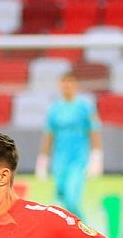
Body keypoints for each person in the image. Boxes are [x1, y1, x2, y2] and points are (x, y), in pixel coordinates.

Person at [34, 73, 104, 219]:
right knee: (60, 199)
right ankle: (71, 235)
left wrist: (96, 156)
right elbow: (49, 135)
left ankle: (85, 231)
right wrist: (43, 159)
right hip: (59, 160)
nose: (66, 87)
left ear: (76, 85)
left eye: (70, 83)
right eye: (63, 83)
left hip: (78, 159)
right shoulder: (54, 109)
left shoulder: (85, 107)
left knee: (72, 199)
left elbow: (94, 131)